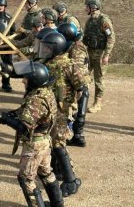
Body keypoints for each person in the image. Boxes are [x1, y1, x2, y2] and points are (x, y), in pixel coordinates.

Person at [0, 62, 64, 207]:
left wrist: (7, 120)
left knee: (26, 179)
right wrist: (13, 114)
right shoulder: (46, 92)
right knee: (46, 173)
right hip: (44, 142)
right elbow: (29, 113)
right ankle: (58, 205)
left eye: (26, 78)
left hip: (35, 146)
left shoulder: (36, 100)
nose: (23, 80)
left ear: (34, 80)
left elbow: (25, 127)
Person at [38, 32, 86, 196]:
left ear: (56, 48)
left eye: (47, 48)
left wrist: (78, 114)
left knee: (58, 144)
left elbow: (82, 88)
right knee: (51, 142)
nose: (44, 50)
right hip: (48, 110)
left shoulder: (69, 65)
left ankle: (71, 180)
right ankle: (57, 171)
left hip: (61, 111)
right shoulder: (47, 63)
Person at [82, 0, 115, 113]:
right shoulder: (89, 21)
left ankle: (98, 103)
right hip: (89, 53)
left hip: (100, 54)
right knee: (84, 76)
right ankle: (82, 99)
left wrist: (106, 55)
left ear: (93, 7)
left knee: (99, 79)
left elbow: (111, 37)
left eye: (87, 6)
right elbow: (85, 37)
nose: (85, 8)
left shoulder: (103, 20)